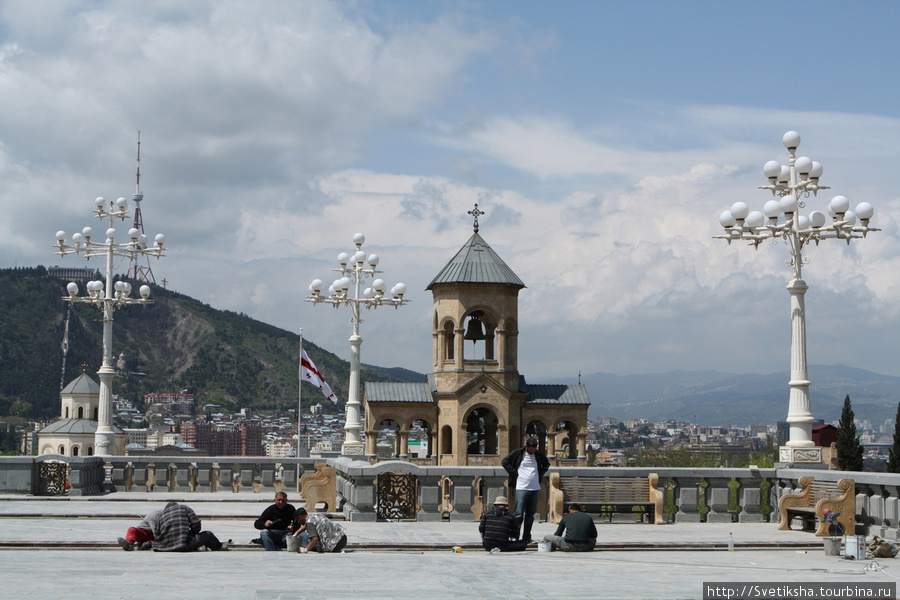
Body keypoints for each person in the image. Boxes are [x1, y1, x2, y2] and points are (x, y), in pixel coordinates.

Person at [501, 437, 550, 543]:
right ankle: (515, 535)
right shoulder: (518, 453)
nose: (532, 450)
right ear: (526, 446)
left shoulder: (538, 454)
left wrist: (539, 474)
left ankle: (527, 536)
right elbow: (505, 462)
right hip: (521, 487)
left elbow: (547, 464)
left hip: (535, 487)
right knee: (518, 514)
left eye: (534, 448)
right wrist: (515, 474)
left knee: (530, 514)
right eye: (531, 448)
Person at [152, 501, 226, 552]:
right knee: (208, 535)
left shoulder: (160, 515)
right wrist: (192, 533)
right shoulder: (184, 508)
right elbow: (196, 524)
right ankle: (219, 547)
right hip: (182, 544)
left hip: (163, 546)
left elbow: (156, 534)